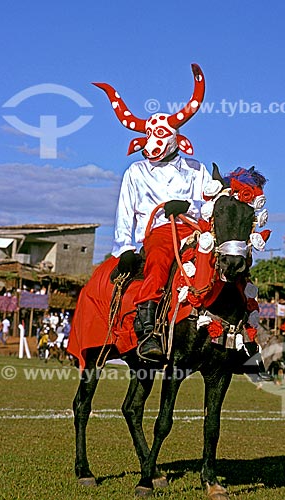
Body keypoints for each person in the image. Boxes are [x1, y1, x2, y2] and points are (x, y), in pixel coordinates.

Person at [95, 64, 211, 361]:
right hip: (156, 232)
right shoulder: (135, 171)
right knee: (159, 255)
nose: (154, 142)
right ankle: (148, 325)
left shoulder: (197, 169)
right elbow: (125, 213)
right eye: (149, 135)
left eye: (161, 135)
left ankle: (237, 333)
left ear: (178, 139)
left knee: (226, 260)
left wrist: (189, 207)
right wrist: (125, 248)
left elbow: (209, 204)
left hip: (194, 230)